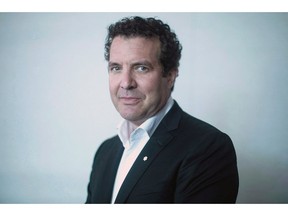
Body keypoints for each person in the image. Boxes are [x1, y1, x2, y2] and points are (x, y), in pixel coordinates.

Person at [86, 16, 239, 204]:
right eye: (116, 68)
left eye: (141, 68)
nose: (126, 82)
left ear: (170, 75)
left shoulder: (208, 148)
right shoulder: (105, 151)